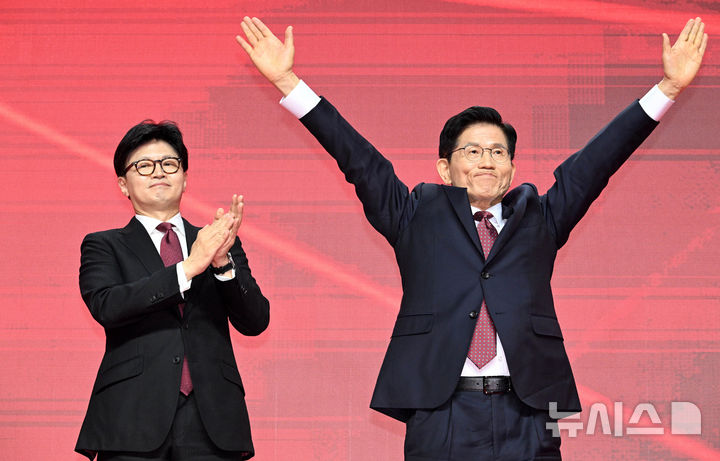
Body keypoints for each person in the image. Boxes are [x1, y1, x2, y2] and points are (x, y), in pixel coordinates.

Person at [238, 16, 707, 461]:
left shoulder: (540, 217)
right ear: (445, 168)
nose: (487, 160)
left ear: (511, 169)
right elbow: (359, 160)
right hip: (442, 411)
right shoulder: (414, 215)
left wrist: (667, 88)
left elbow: (598, 161)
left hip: (527, 411)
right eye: (473, 150)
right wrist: (288, 82)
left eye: (498, 152)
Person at [75, 120, 270, 460]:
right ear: (123, 185)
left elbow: (255, 322)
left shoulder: (216, 241)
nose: (158, 172)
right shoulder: (103, 245)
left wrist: (221, 264)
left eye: (169, 163)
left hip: (213, 420)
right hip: (131, 416)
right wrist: (188, 268)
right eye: (144, 166)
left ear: (185, 177)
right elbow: (108, 306)